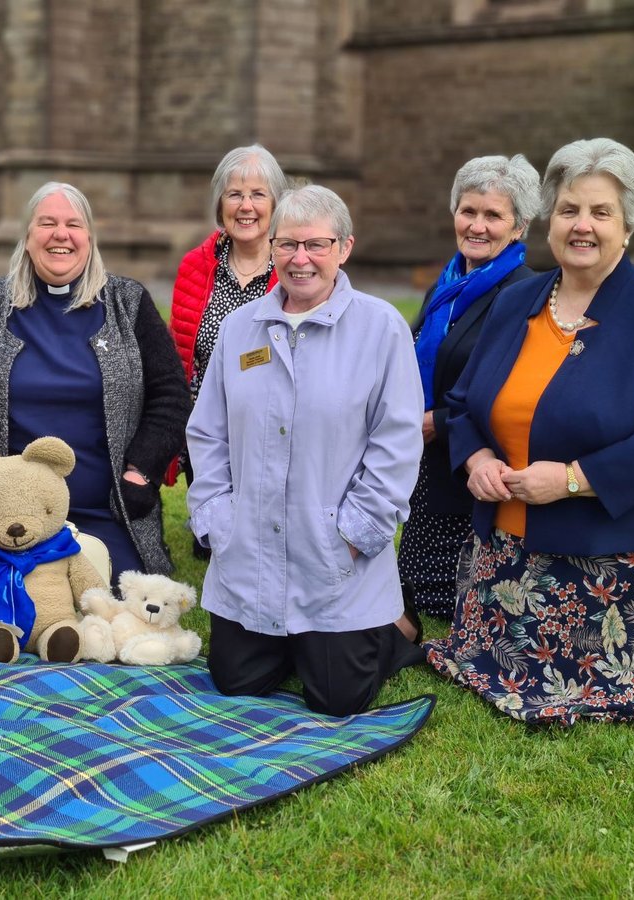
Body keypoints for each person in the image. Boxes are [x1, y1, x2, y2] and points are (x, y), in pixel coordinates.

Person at [425, 138, 634, 724]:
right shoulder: (518, 303)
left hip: (602, 555)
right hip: (501, 549)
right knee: (484, 669)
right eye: (568, 210)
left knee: (575, 695)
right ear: (549, 220)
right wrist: (479, 459)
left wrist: (569, 479)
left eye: (600, 212)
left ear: (628, 227)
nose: (582, 225)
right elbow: (461, 404)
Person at [186, 185, 425, 717]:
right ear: (271, 248)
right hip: (249, 547)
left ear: (344, 248)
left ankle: (392, 628)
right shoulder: (239, 328)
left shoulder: (381, 328)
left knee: (339, 697)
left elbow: (398, 442)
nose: (301, 259)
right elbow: (207, 433)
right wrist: (217, 518)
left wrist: (355, 535)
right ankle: (300, 646)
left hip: (335, 555)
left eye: (316, 245)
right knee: (236, 682)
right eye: (288, 245)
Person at [0, 182, 190, 580]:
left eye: (73, 224)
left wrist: (139, 473)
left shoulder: (128, 303)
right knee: (15, 612)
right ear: (27, 238)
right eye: (47, 223)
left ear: (89, 238)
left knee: (116, 612)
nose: (61, 234)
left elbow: (171, 396)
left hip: (109, 510)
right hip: (12, 517)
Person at [398, 155, 539, 618]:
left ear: (518, 227)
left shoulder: (525, 294)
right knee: (402, 587)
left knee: (433, 602)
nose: (477, 226)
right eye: (468, 211)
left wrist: (437, 421)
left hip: (471, 466)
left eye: (493, 215)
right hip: (422, 460)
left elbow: (509, 385)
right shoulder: (449, 284)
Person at [167, 146, 288, 553]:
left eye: (258, 194)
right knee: (217, 545)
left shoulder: (294, 267)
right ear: (220, 204)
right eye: (234, 194)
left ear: (276, 204)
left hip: (274, 428)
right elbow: (179, 354)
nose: (246, 206)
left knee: (268, 543)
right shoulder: (196, 266)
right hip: (208, 431)